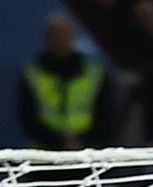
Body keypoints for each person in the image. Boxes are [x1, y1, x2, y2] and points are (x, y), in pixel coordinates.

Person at [18, 13, 103, 151]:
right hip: (45, 155)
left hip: (86, 153)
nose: (59, 40)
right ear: (46, 38)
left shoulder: (95, 73)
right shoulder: (32, 73)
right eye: (54, 36)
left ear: (73, 37)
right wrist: (59, 142)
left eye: (64, 35)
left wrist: (83, 141)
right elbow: (27, 118)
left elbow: (105, 116)